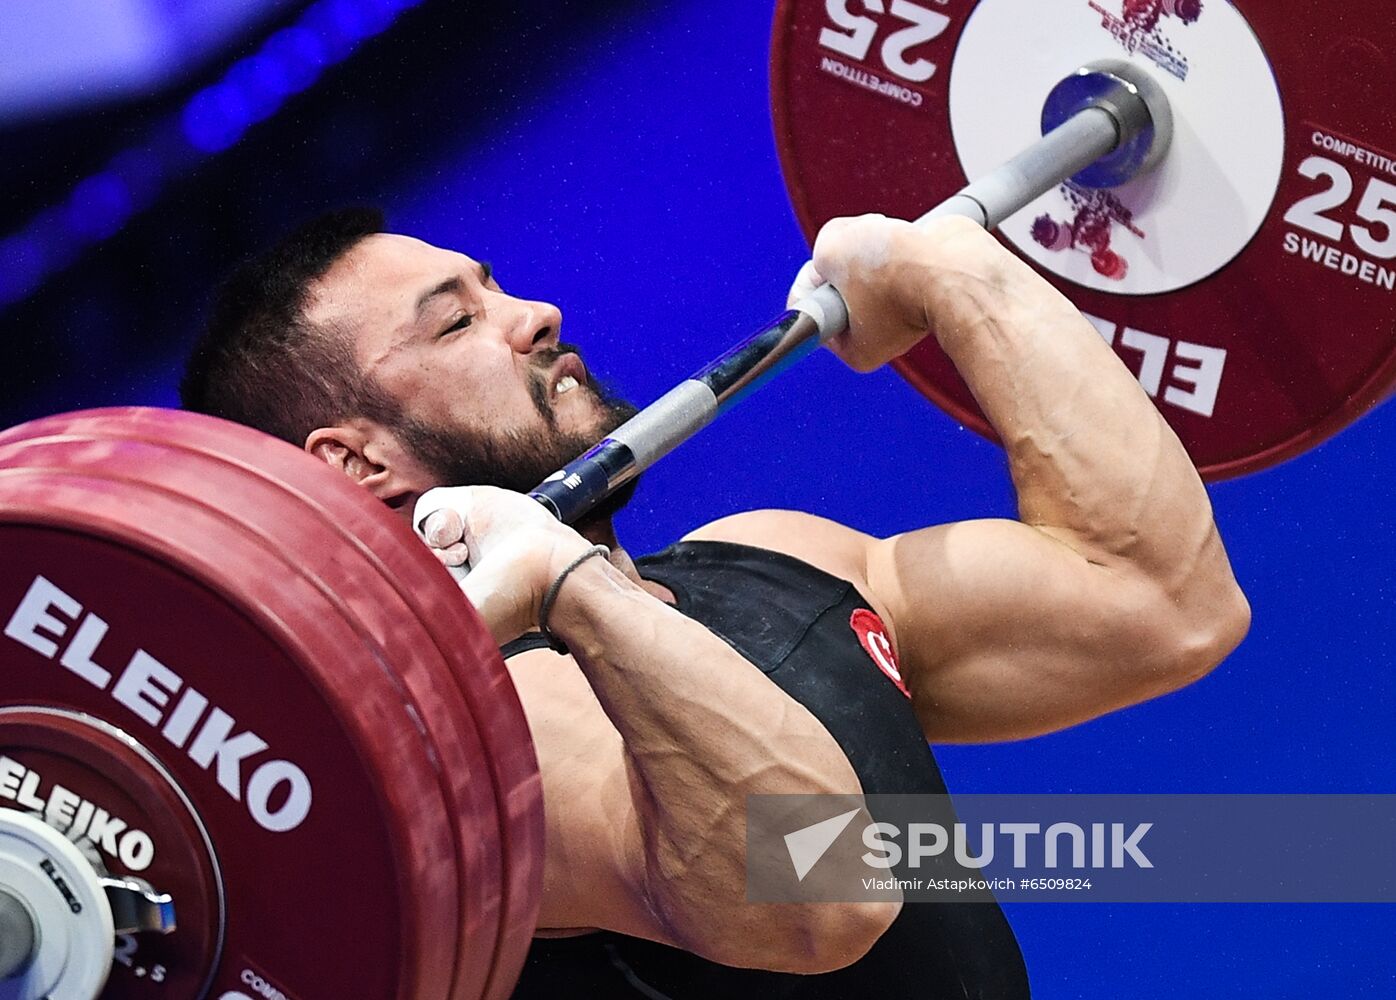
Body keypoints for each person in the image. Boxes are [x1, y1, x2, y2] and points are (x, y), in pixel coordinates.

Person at [180, 207, 1250, 997]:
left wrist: (954, 273)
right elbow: (823, 894)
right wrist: (571, 586)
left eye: (496, 286)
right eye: (458, 323)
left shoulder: (766, 558)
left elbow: (1162, 604)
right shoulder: (479, 747)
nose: (535, 315)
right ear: (355, 464)